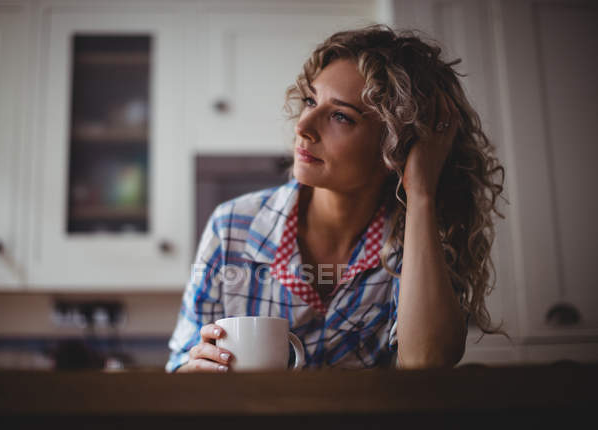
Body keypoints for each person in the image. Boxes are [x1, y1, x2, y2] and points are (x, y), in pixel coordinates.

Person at [166, 24, 505, 372]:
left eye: (341, 116)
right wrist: (193, 370)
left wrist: (421, 194)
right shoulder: (231, 227)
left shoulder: (418, 242)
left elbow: (427, 363)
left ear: (396, 146)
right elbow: (178, 366)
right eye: (311, 101)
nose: (303, 125)